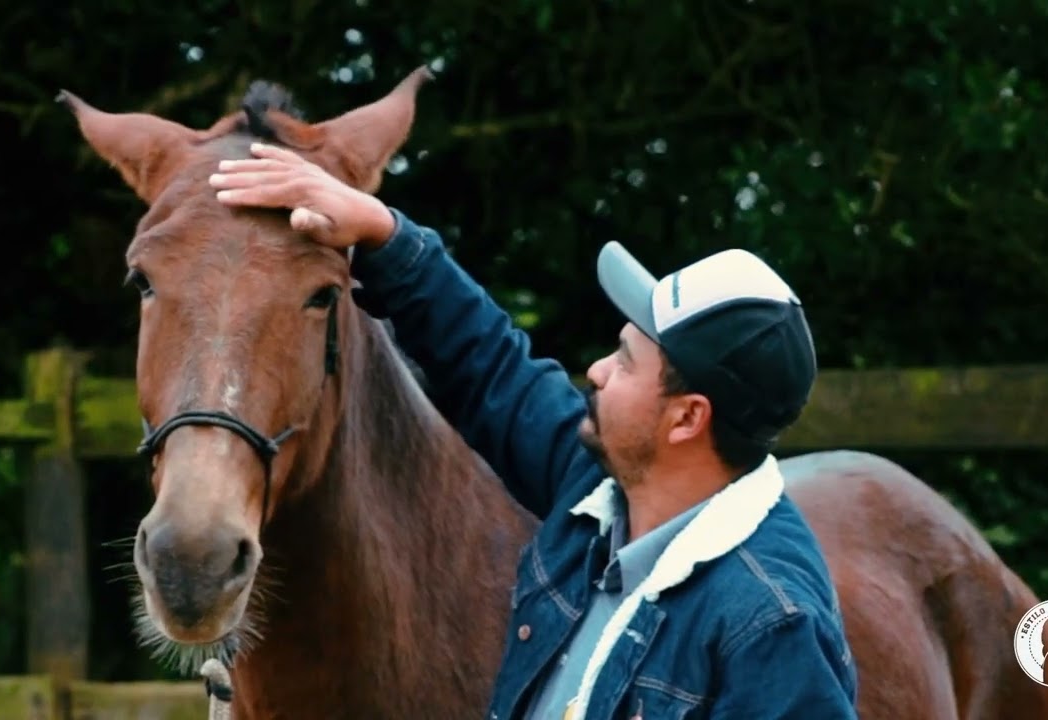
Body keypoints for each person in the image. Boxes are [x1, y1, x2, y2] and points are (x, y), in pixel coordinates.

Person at [209, 143, 858, 719]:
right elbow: (492, 369)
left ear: (687, 417)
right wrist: (384, 235)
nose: (598, 372)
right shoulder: (608, 495)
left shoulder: (770, 625)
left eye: (626, 361)